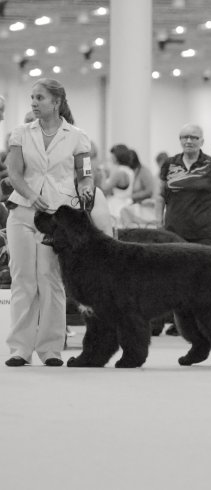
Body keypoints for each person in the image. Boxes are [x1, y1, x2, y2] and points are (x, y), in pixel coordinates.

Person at [4, 78, 94, 367]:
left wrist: (87, 189)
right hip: (23, 213)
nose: (33, 102)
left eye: (39, 98)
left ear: (56, 102)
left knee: (50, 280)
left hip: (58, 217)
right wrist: (31, 195)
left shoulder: (77, 136)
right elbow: (14, 174)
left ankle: (51, 349)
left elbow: (85, 174)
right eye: (32, 97)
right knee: (23, 280)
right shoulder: (19, 133)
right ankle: (19, 348)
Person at [155, 124, 211, 247]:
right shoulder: (169, 164)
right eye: (184, 137)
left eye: (194, 138)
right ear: (180, 140)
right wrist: (159, 223)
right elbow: (160, 196)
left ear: (202, 141)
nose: (188, 141)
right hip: (174, 232)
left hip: (205, 234)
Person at [101, 144, 135, 224]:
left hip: (116, 207)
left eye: (112, 155)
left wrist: (103, 174)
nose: (111, 157)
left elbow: (104, 188)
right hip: (127, 205)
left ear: (117, 157)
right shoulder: (130, 171)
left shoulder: (119, 172)